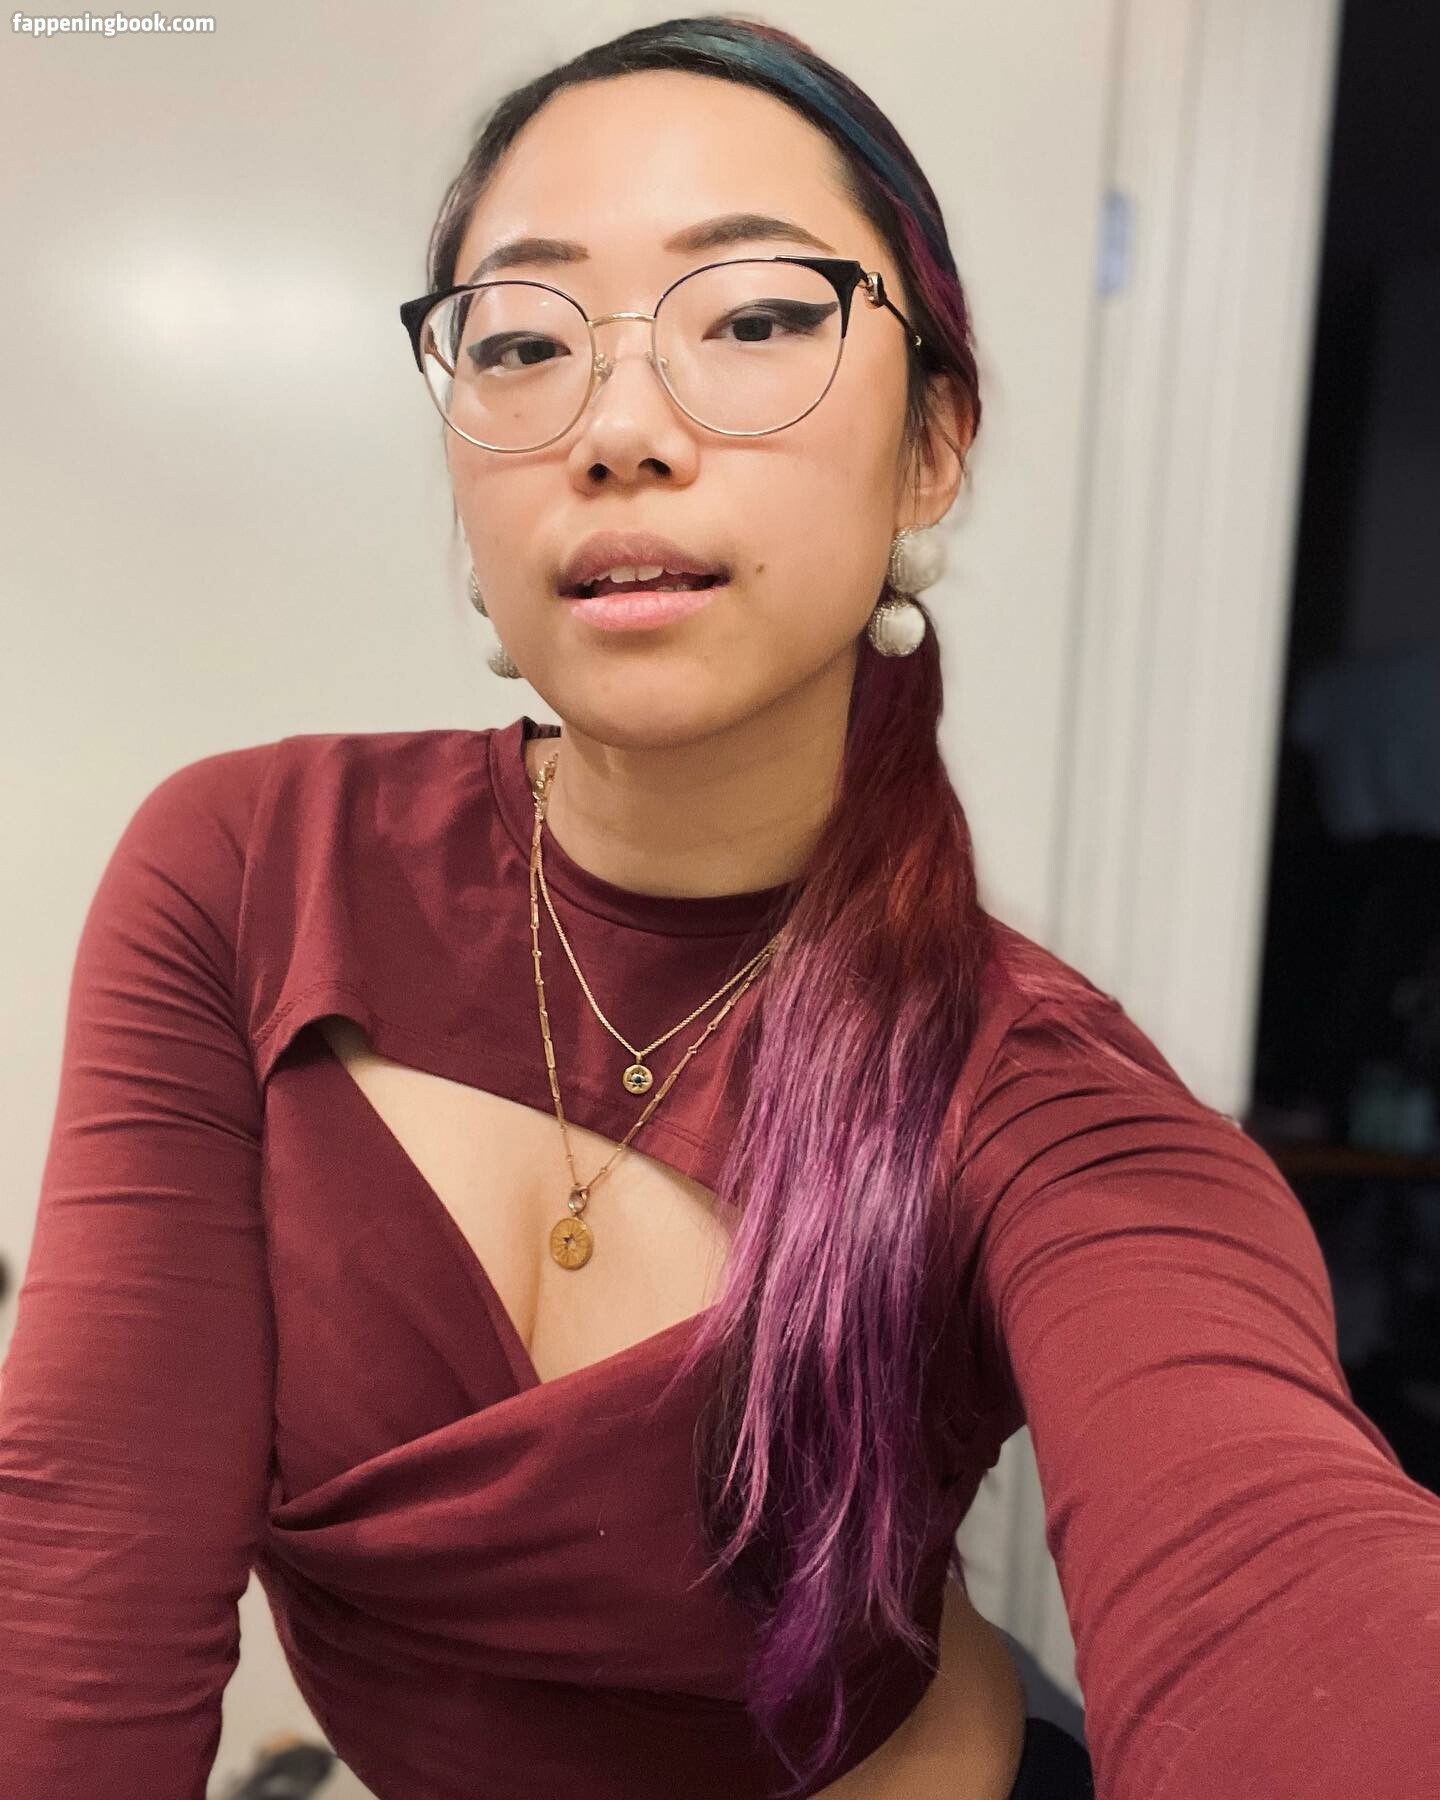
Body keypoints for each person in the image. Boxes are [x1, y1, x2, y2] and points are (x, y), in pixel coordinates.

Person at [3, 14, 1438, 1800]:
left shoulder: (1039, 1094)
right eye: (523, 342)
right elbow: (81, 1563)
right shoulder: (245, 871)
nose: (618, 428)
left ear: (931, 448)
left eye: (756, 318)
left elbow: (1284, 1575)